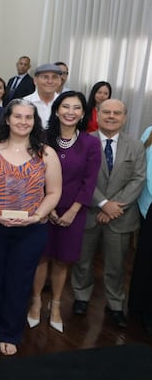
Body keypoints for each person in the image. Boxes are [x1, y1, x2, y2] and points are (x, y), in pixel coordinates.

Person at [0, 99, 62, 356]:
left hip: (31, 229)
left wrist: (36, 217)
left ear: (35, 122)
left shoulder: (47, 153)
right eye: (18, 116)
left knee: (19, 280)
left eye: (28, 117)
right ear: (8, 120)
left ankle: (11, 331)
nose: (23, 122)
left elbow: (54, 192)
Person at [71, 99, 146, 328]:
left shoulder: (135, 146)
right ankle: (81, 298)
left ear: (124, 117)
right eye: (106, 112)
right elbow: (81, 177)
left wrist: (114, 206)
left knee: (116, 265)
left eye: (117, 113)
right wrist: (103, 203)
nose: (111, 116)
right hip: (89, 213)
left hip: (121, 217)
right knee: (82, 261)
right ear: (98, 115)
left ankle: (115, 304)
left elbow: (138, 178)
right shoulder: (83, 142)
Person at [30, 92, 101, 333]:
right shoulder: (42, 138)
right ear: (57, 110)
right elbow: (35, 175)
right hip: (42, 208)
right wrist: (44, 208)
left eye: (77, 107)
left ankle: (57, 305)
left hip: (74, 210)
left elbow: (89, 182)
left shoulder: (90, 142)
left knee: (62, 259)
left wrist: (73, 210)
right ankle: (36, 302)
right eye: (66, 106)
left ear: (83, 113)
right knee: (41, 256)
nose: (70, 111)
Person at [129, 124, 152, 335]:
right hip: (150, 205)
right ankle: (140, 310)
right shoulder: (149, 131)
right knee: (146, 261)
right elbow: (145, 171)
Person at [23, 63, 62, 128]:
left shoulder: (64, 103)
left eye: (54, 77)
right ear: (35, 80)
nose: (50, 81)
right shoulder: (24, 103)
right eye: (45, 77)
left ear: (60, 81)